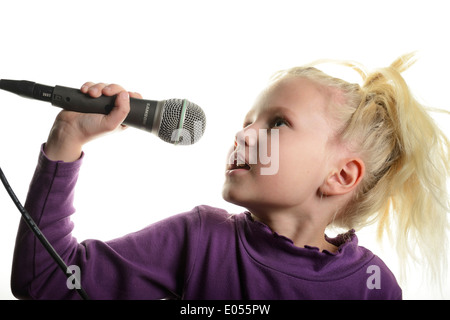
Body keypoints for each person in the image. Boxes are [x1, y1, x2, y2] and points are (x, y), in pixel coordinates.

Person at [10, 53, 449, 300]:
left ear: (340, 176)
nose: (243, 134)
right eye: (247, 121)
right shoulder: (199, 239)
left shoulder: (373, 288)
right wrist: (66, 141)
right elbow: (45, 281)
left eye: (277, 123)